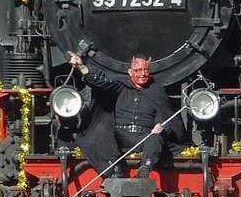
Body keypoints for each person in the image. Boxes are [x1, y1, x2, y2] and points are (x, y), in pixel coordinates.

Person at [65, 50, 184, 180]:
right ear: (130, 72)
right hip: (122, 135)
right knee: (102, 129)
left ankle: (145, 168)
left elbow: (165, 115)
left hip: (145, 136)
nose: (142, 74)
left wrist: (160, 127)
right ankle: (114, 170)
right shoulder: (121, 87)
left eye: (145, 70)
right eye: (138, 70)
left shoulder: (156, 91)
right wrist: (82, 66)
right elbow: (101, 81)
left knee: (156, 138)